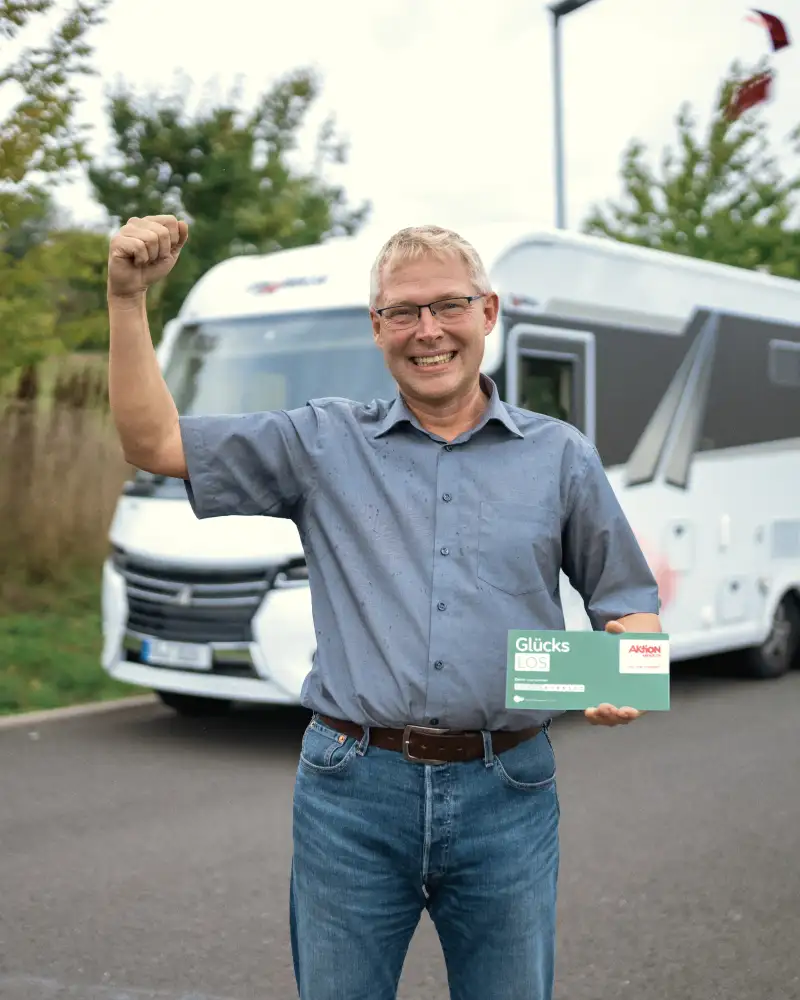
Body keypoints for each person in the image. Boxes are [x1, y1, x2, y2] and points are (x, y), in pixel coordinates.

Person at [106, 215, 662, 1000]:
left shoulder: (560, 454)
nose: (427, 330)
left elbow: (630, 605)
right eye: (403, 312)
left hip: (510, 788)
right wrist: (127, 302)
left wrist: (624, 672)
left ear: (489, 313)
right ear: (377, 328)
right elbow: (152, 441)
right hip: (351, 791)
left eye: (448, 306)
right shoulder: (322, 442)